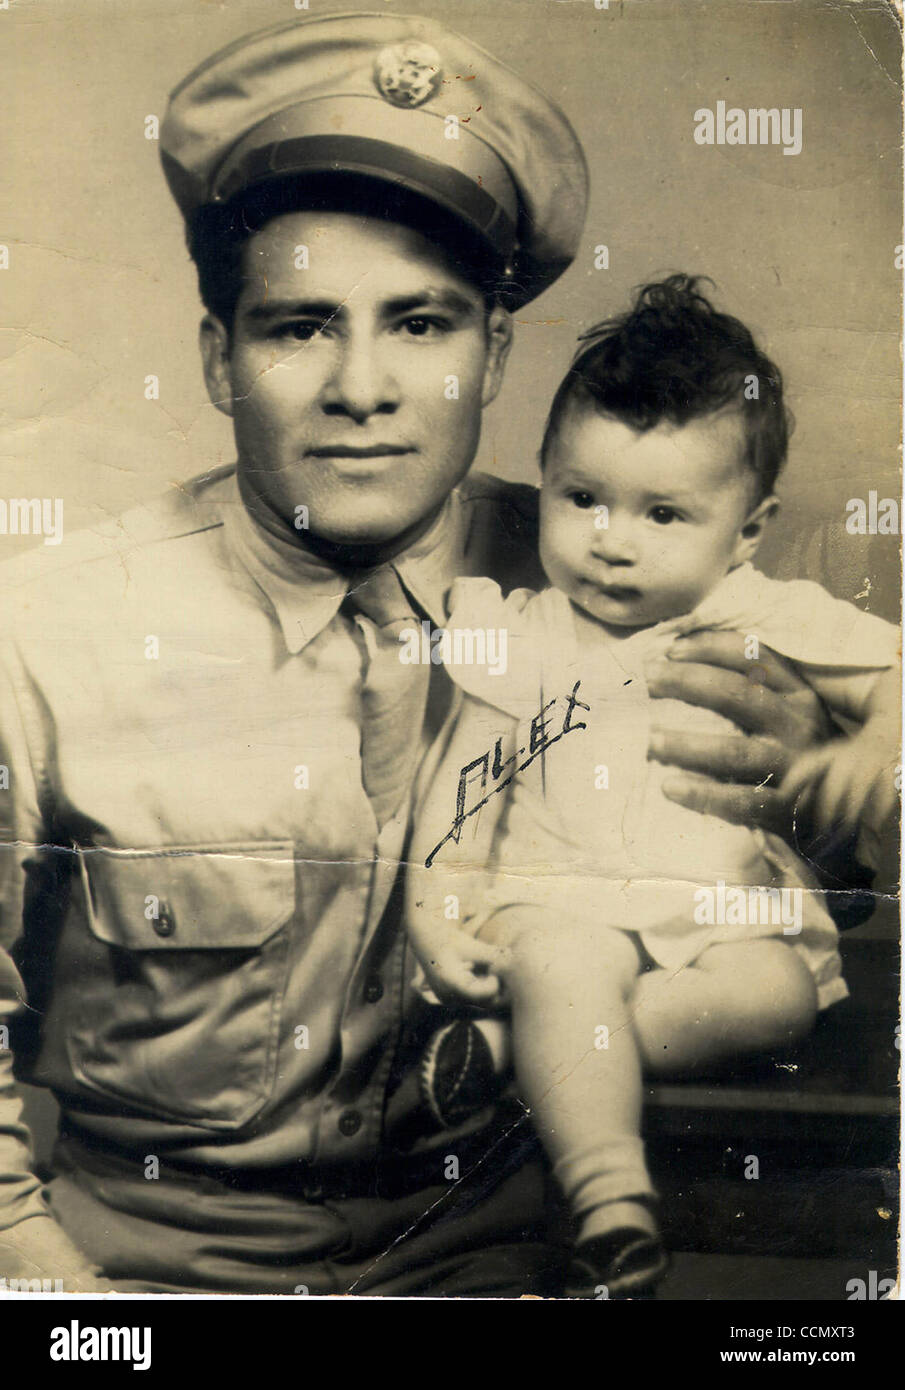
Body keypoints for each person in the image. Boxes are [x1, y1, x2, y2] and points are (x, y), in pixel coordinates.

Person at [0, 14, 865, 1297]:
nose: (363, 386)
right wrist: (60, 1296)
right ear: (217, 360)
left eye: (420, 324)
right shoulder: (46, 629)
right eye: (299, 325)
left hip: (506, 1248)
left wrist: (827, 782)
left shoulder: (623, 578)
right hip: (157, 1271)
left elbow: (836, 872)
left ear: (493, 356)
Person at [406, 276, 900, 1298]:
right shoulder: (522, 632)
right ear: (542, 479)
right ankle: (611, 1200)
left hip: (712, 915)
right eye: (579, 497)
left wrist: (872, 744)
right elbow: (464, 786)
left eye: (663, 513)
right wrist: (439, 906)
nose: (611, 540)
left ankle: (517, 1055)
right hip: (553, 902)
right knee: (564, 959)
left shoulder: (762, 613)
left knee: (776, 994)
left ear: (747, 527)